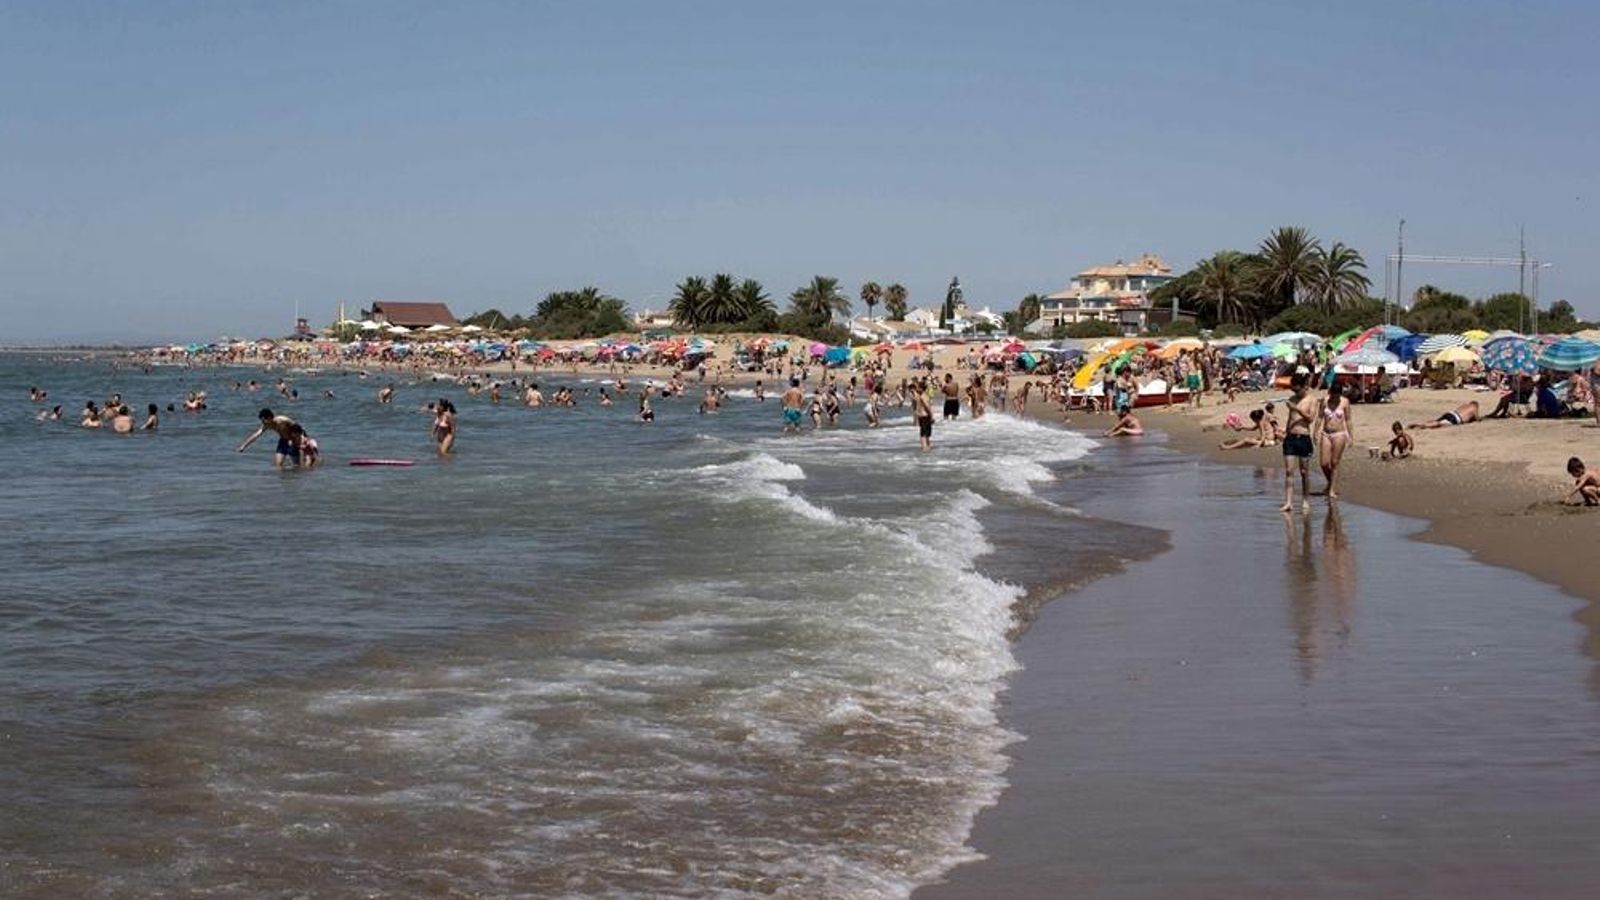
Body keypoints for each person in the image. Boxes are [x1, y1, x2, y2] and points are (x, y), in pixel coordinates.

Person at [1281, 373, 1316, 513]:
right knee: (1289, 471)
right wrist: (1285, 431)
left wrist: (1296, 409)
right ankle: (1288, 502)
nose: (1295, 392)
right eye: (1293, 390)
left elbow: (1310, 419)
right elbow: (1290, 418)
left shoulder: (1311, 400)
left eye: (1297, 390)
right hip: (1290, 437)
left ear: (1304, 387)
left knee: (1304, 472)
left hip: (1304, 437)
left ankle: (1305, 500)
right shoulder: (1292, 399)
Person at [1314, 381, 1353, 500]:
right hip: (1326, 433)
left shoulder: (1345, 402)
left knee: (1334, 462)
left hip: (1339, 434)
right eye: (1332, 395)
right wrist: (1315, 432)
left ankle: (1331, 489)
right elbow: (1320, 417)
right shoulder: (1325, 401)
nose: (1334, 398)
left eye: (1336, 396)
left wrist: (1351, 436)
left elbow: (1348, 420)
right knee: (1324, 463)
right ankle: (1331, 482)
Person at [1410, 400, 1481, 429]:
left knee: (1437, 421)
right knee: (1439, 424)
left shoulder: (1464, 405)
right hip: (1456, 418)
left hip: (1451, 413)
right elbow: (1477, 419)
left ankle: (1424, 423)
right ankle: (1422, 425)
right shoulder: (1474, 408)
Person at [912, 377, 935, 451]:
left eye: (918, 387)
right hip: (924, 416)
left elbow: (927, 407)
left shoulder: (922, 397)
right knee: (926, 433)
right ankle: (927, 447)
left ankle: (925, 447)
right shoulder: (923, 396)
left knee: (924, 434)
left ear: (921, 388)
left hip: (925, 416)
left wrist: (931, 416)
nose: (917, 389)